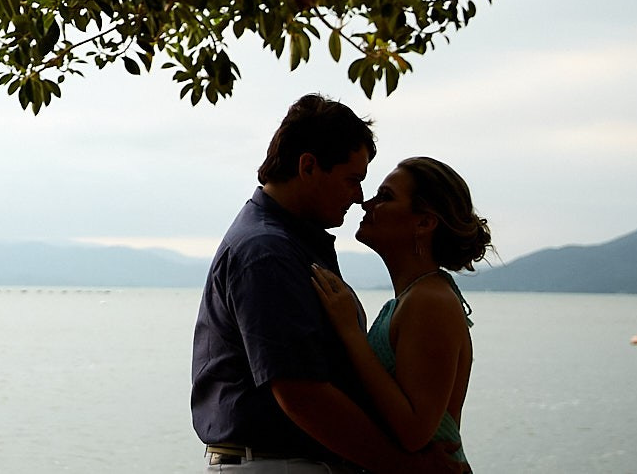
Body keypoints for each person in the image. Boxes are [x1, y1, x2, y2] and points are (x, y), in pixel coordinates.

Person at [192, 94, 461, 473]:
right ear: (308, 166)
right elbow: (301, 394)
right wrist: (403, 467)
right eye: (353, 180)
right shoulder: (268, 251)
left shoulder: (293, 244)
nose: (359, 198)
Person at [311, 157, 491, 467]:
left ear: (424, 222)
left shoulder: (430, 301)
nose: (366, 203)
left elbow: (414, 431)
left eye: (386, 197)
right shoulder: (414, 298)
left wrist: (351, 333)